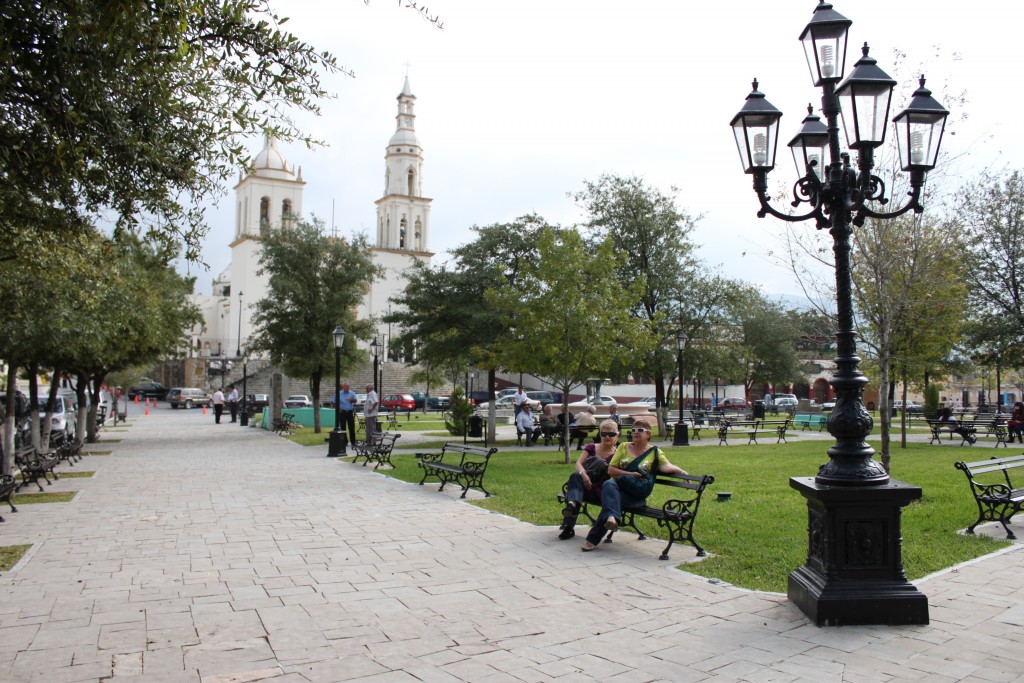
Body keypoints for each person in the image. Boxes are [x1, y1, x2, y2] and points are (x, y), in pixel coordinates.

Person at [581, 416, 687, 552]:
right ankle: (611, 518)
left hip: (636, 497)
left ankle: (601, 530)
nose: (636, 432)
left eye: (640, 430)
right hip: (618, 491)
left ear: (648, 434)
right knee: (609, 485)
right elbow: (611, 470)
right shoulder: (624, 447)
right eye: (633, 430)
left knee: (610, 497)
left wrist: (682, 471)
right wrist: (630, 474)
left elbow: (666, 466)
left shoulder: (654, 452)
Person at [558, 419, 620, 540]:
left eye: (611, 434)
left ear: (617, 435)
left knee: (575, 491)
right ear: (599, 434)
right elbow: (578, 464)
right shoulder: (592, 447)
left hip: (601, 492)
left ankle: (569, 522)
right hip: (585, 486)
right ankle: (570, 515)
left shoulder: (618, 454)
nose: (607, 437)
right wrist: (585, 476)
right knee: (575, 476)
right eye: (603, 434)